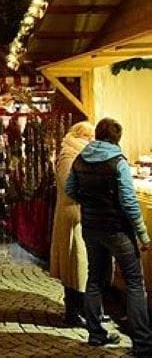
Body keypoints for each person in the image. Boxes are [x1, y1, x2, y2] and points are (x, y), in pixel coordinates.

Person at [66, 118, 152, 353]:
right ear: (117, 138)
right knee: (135, 283)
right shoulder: (118, 162)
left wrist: (91, 204)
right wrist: (143, 234)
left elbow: (69, 190)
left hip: (91, 228)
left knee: (95, 278)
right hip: (117, 230)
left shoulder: (80, 159)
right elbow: (129, 202)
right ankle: (143, 343)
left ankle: (96, 335)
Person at [49, 121, 94, 327]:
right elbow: (69, 186)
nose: (92, 141)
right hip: (73, 214)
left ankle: (81, 310)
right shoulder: (69, 154)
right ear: (79, 136)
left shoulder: (77, 153)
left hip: (78, 213)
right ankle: (74, 312)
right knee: (74, 264)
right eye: (89, 137)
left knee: (80, 265)